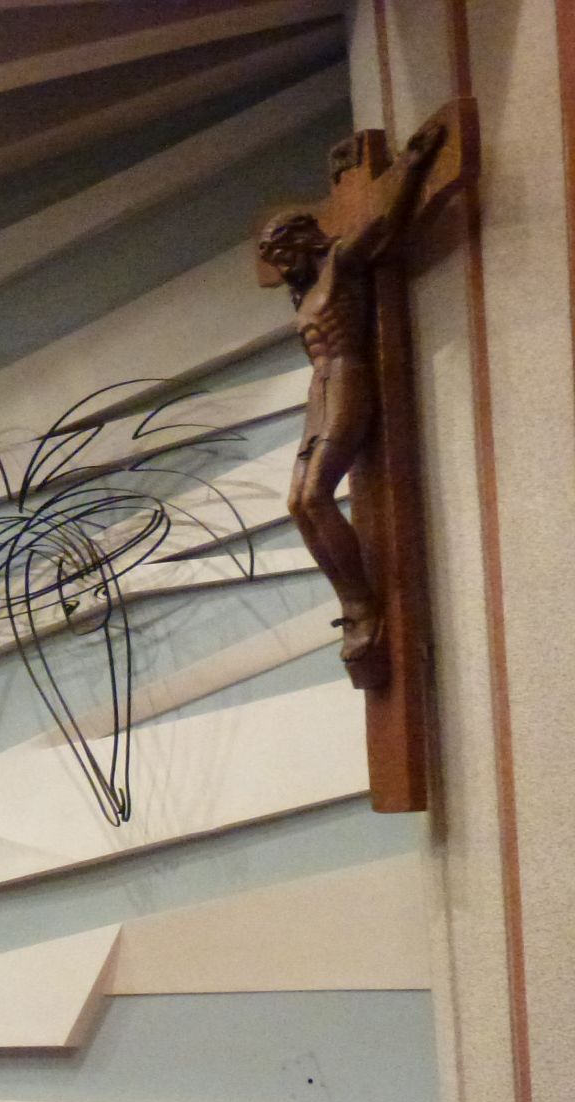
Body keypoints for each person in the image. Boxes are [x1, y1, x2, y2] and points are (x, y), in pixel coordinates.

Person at [255, 119, 444, 688]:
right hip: (321, 389)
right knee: (297, 503)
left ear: (302, 241)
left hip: (349, 376)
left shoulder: (340, 263)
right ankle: (351, 602)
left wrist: (410, 164)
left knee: (316, 494)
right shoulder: (303, 293)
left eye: (283, 252)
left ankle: (362, 602)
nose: (281, 266)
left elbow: (383, 223)